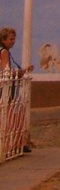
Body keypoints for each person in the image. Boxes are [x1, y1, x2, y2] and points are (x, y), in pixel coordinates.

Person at [0, 27, 33, 155]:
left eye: (14, 39)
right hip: (7, 89)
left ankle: (17, 144)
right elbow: (6, 72)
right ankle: (13, 145)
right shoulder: (4, 53)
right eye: (10, 39)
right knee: (12, 115)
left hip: (7, 87)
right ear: (3, 40)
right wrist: (22, 71)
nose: (13, 41)